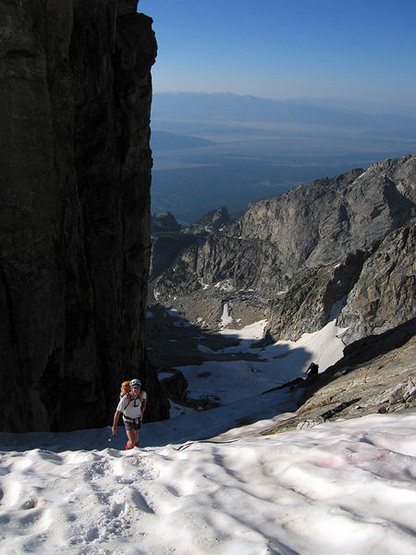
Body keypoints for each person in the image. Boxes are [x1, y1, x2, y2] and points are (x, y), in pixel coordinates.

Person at [112, 378, 147, 449]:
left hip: (138, 419)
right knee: (132, 440)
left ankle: (136, 452)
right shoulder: (125, 398)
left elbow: (144, 402)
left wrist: (142, 412)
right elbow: (117, 412)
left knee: (136, 439)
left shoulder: (142, 394)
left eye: (138, 388)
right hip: (128, 420)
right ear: (131, 388)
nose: (136, 390)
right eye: (134, 388)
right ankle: (128, 451)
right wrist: (114, 426)